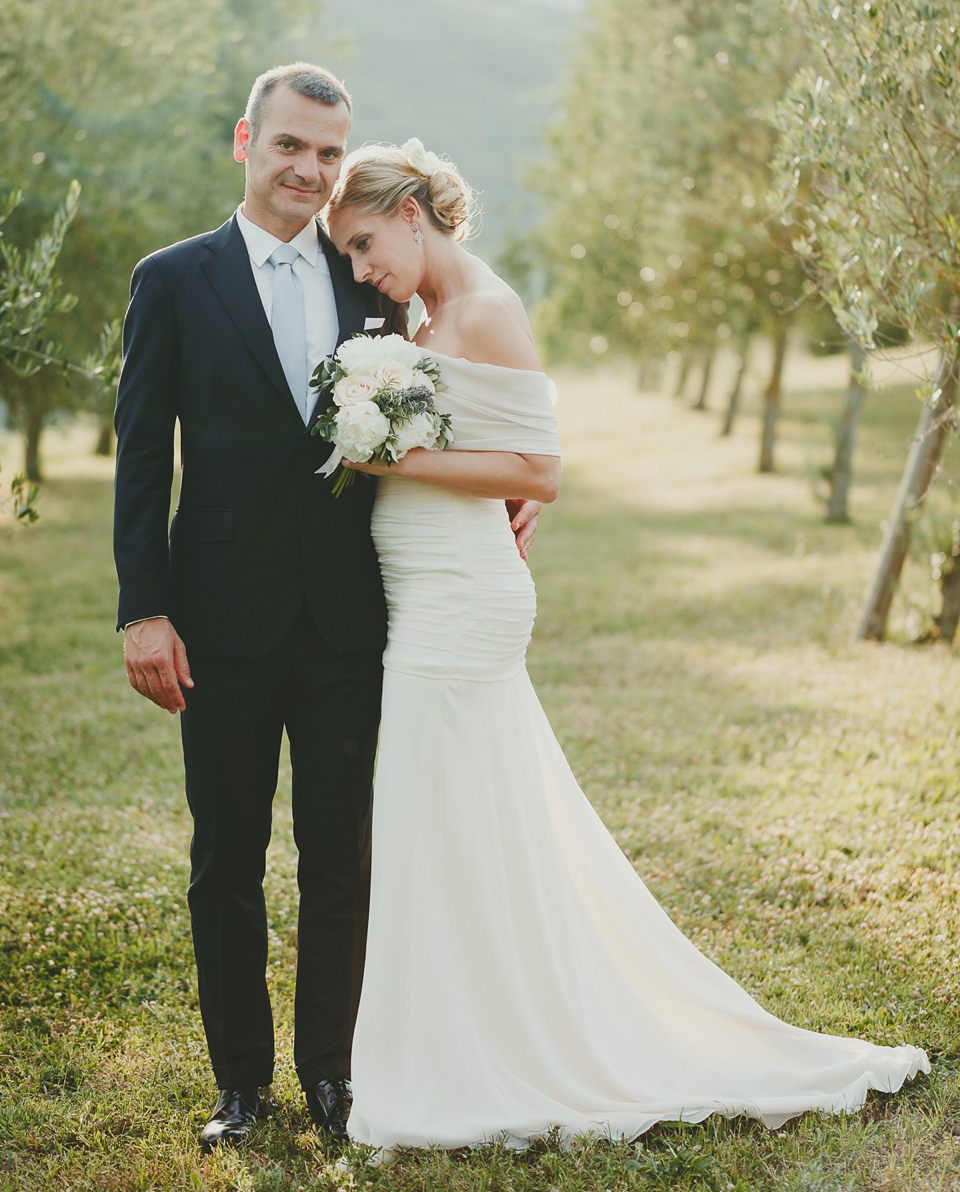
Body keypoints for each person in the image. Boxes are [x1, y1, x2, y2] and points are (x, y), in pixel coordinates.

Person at [325, 139, 929, 1154]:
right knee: (454, 825)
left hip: (461, 608)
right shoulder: (426, 319)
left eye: (364, 243)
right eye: (348, 254)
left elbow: (540, 470)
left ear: (414, 211)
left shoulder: (486, 309)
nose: (360, 269)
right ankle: (471, 1031)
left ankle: (468, 1056)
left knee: (433, 814)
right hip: (428, 594)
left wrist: (400, 452)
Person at [112, 62, 543, 1152]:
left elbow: (466, 393)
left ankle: (337, 1076)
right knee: (227, 858)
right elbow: (138, 461)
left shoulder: (374, 283)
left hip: (359, 621)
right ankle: (241, 1085)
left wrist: (501, 498)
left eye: (326, 153)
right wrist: (142, 610)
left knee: (344, 856)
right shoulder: (172, 280)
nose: (307, 169)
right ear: (249, 140)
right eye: (290, 146)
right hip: (219, 623)